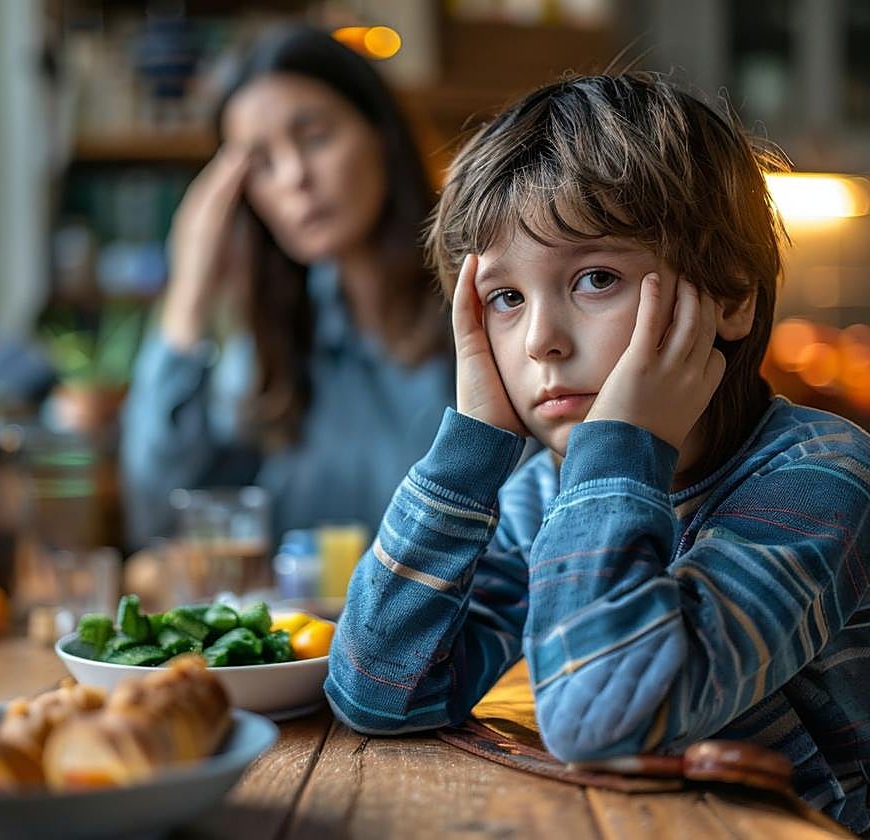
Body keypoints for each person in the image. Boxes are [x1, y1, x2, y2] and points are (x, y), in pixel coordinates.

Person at [324, 72, 870, 834]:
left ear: (733, 295)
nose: (541, 339)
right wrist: (471, 450)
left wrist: (621, 449)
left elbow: (604, 718)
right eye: (505, 299)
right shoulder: (543, 492)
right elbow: (377, 691)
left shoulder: (819, 477)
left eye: (595, 279)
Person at [121, 25, 454, 549]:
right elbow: (160, 521)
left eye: (316, 136)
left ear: (379, 133)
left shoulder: (477, 310)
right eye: (261, 163)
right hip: (303, 633)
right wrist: (189, 293)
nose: (295, 176)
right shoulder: (269, 347)